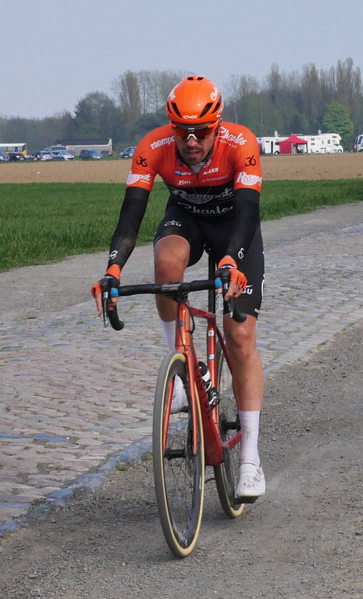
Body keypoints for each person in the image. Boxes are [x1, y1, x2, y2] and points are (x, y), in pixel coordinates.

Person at [92, 75, 265, 499]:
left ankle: (250, 459)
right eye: (182, 131)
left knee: (240, 336)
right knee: (166, 264)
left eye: (201, 132)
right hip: (185, 218)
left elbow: (248, 210)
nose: (191, 141)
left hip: (234, 229)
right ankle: (184, 368)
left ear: (216, 126)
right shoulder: (153, 147)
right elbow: (132, 213)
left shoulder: (240, 142)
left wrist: (231, 259)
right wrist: (113, 269)